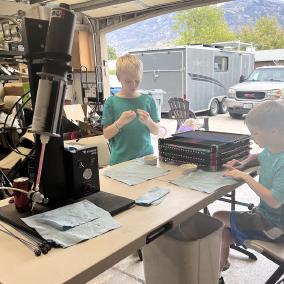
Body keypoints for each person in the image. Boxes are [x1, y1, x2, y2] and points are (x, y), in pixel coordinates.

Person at [213, 101, 284, 273]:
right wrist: (243, 163)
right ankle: (222, 264)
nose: (252, 137)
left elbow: (274, 201)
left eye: (255, 133)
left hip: (275, 227)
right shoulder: (272, 148)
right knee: (223, 231)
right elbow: (259, 156)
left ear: (274, 132)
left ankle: (216, 263)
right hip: (265, 215)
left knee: (217, 217)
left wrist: (245, 177)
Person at [102, 54, 160, 165]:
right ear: (119, 77)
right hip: (120, 161)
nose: (133, 85)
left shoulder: (148, 100)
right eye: (128, 81)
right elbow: (106, 134)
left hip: (146, 159)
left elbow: (157, 131)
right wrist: (120, 122)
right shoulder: (111, 102)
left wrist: (149, 121)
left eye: (137, 81)